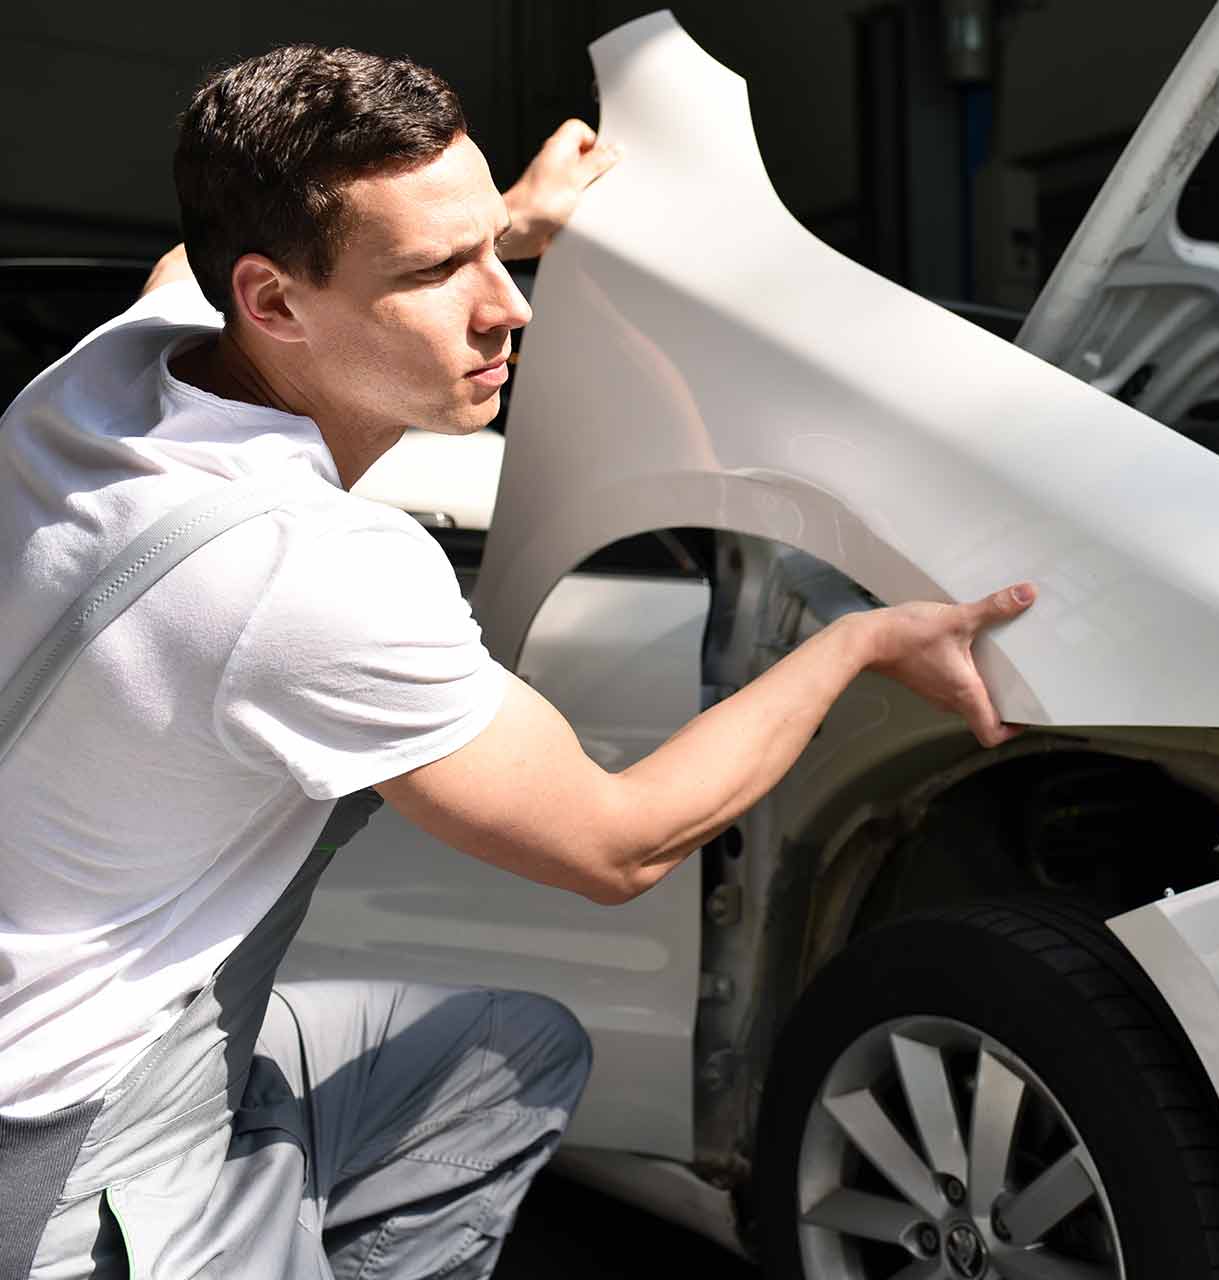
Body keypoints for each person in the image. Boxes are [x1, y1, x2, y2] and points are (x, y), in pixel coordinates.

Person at [0, 43, 1034, 1280]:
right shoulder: (310, 573)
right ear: (272, 301)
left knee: (505, 1054)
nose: (510, 304)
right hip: (74, 1149)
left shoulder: (92, 385)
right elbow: (618, 842)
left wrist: (510, 221)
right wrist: (854, 642)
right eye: (440, 272)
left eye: (495, 247)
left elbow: (182, 264)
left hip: (72, 1037)